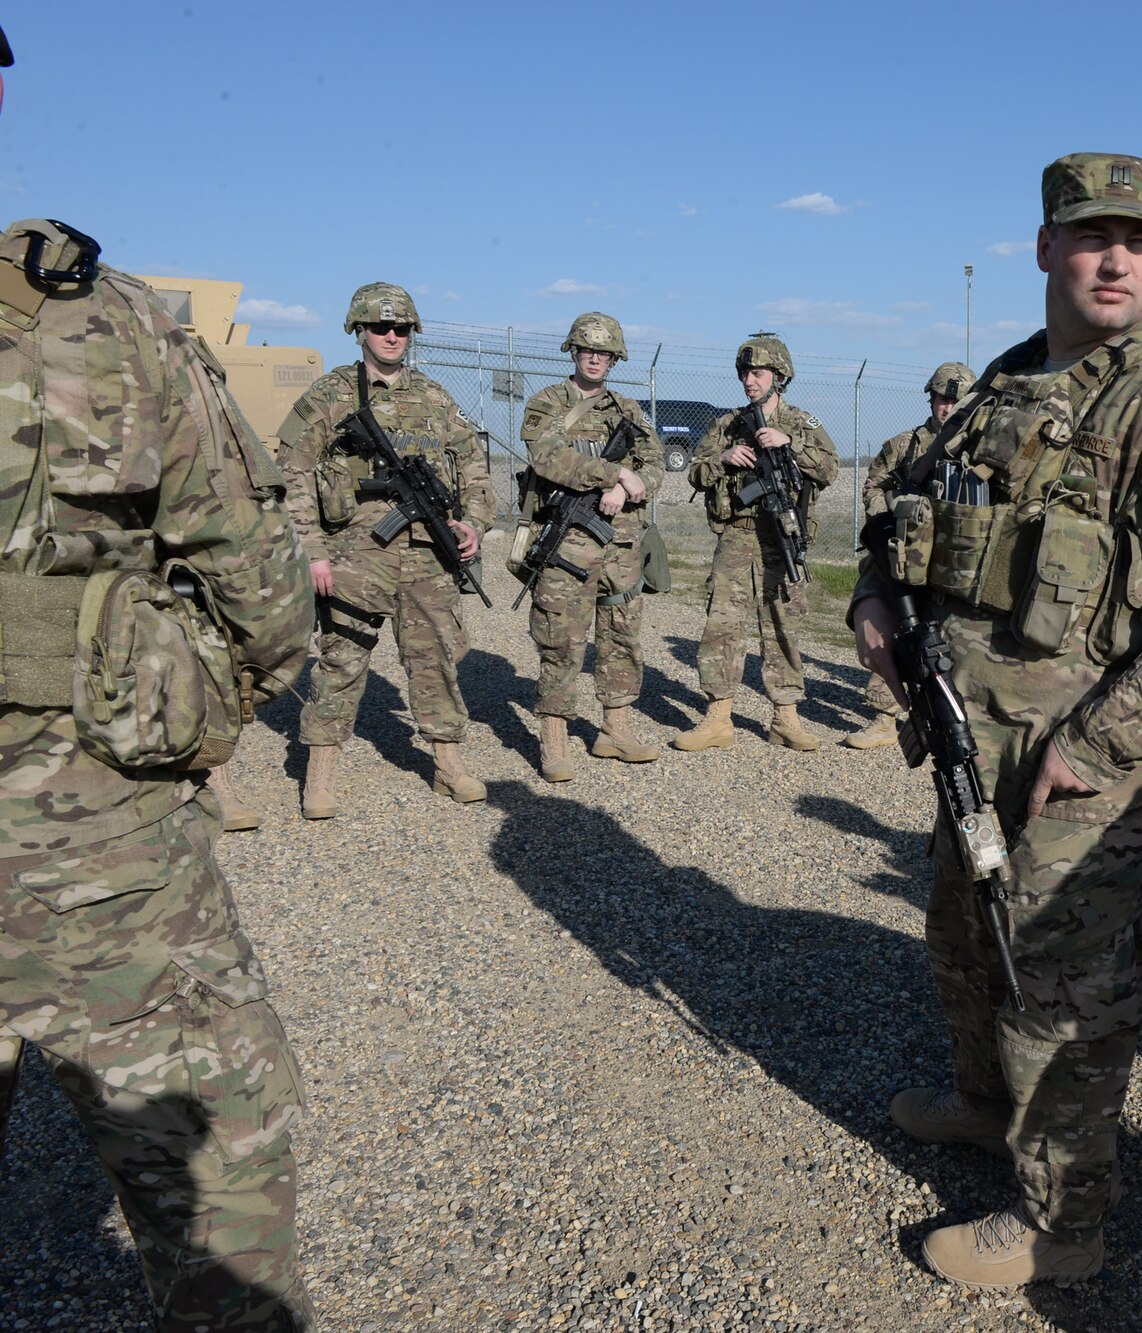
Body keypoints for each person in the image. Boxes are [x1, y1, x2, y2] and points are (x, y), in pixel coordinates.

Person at [851, 152, 1142, 1287]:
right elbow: (902, 505)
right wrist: (869, 595)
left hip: (1074, 769)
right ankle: (987, 1110)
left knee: (1063, 989)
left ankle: (1060, 1222)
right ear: (1043, 247)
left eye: (1138, 242)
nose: (1114, 260)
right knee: (961, 936)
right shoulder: (1007, 386)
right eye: (1091, 236)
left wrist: (1094, 745)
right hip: (969, 741)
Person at [0, 33, 318, 1321]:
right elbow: (254, 580)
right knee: (219, 1169)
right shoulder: (90, 318)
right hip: (85, 825)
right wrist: (186, 719)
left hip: (86, 791)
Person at [276, 283, 496, 815]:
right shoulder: (329, 396)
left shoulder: (436, 396)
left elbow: (473, 463)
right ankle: (321, 773)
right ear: (359, 331)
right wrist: (311, 550)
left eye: (402, 329)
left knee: (436, 657)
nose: (392, 336)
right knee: (341, 660)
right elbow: (291, 471)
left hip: (428, 556)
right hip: (355, 555)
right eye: (381, 327)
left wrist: (475, 522)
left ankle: (448, 762)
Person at [517, 312, 666, 781]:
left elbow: (654, 461)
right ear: (574, 352)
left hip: (620, 544)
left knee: (621, 635)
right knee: (562, 639)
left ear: (615, 358)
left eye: (603, 352)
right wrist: (612, 473)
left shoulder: (627, 409)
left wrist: (632, 484)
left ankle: (614, 729)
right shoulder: (547, 403)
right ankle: (555, 740)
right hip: (567, 544)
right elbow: (546, 457)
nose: (595, 358)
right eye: (587, 350)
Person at [676, 334, 837, 753]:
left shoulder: (802, 423)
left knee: (782, 623)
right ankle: (718, 717)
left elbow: (830, 468)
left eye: (759, 373)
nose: (750, 380)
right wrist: (722, 460)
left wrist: (792, 445)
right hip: (736, 536)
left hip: (781, 536)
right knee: (722, 626)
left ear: (779, 377)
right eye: (745, 372)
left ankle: (785, 717)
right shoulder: (727, 425)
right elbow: (694, 473)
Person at [845, 360, 974, 750]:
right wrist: (886, 520)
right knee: (897, 627)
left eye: (955, 401)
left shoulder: (978, 448)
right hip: (905, 553)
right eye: (941, 399)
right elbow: (873, 485)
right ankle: (885, 716)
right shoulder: (906, 444)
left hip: (954, 557)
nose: (947, 407)